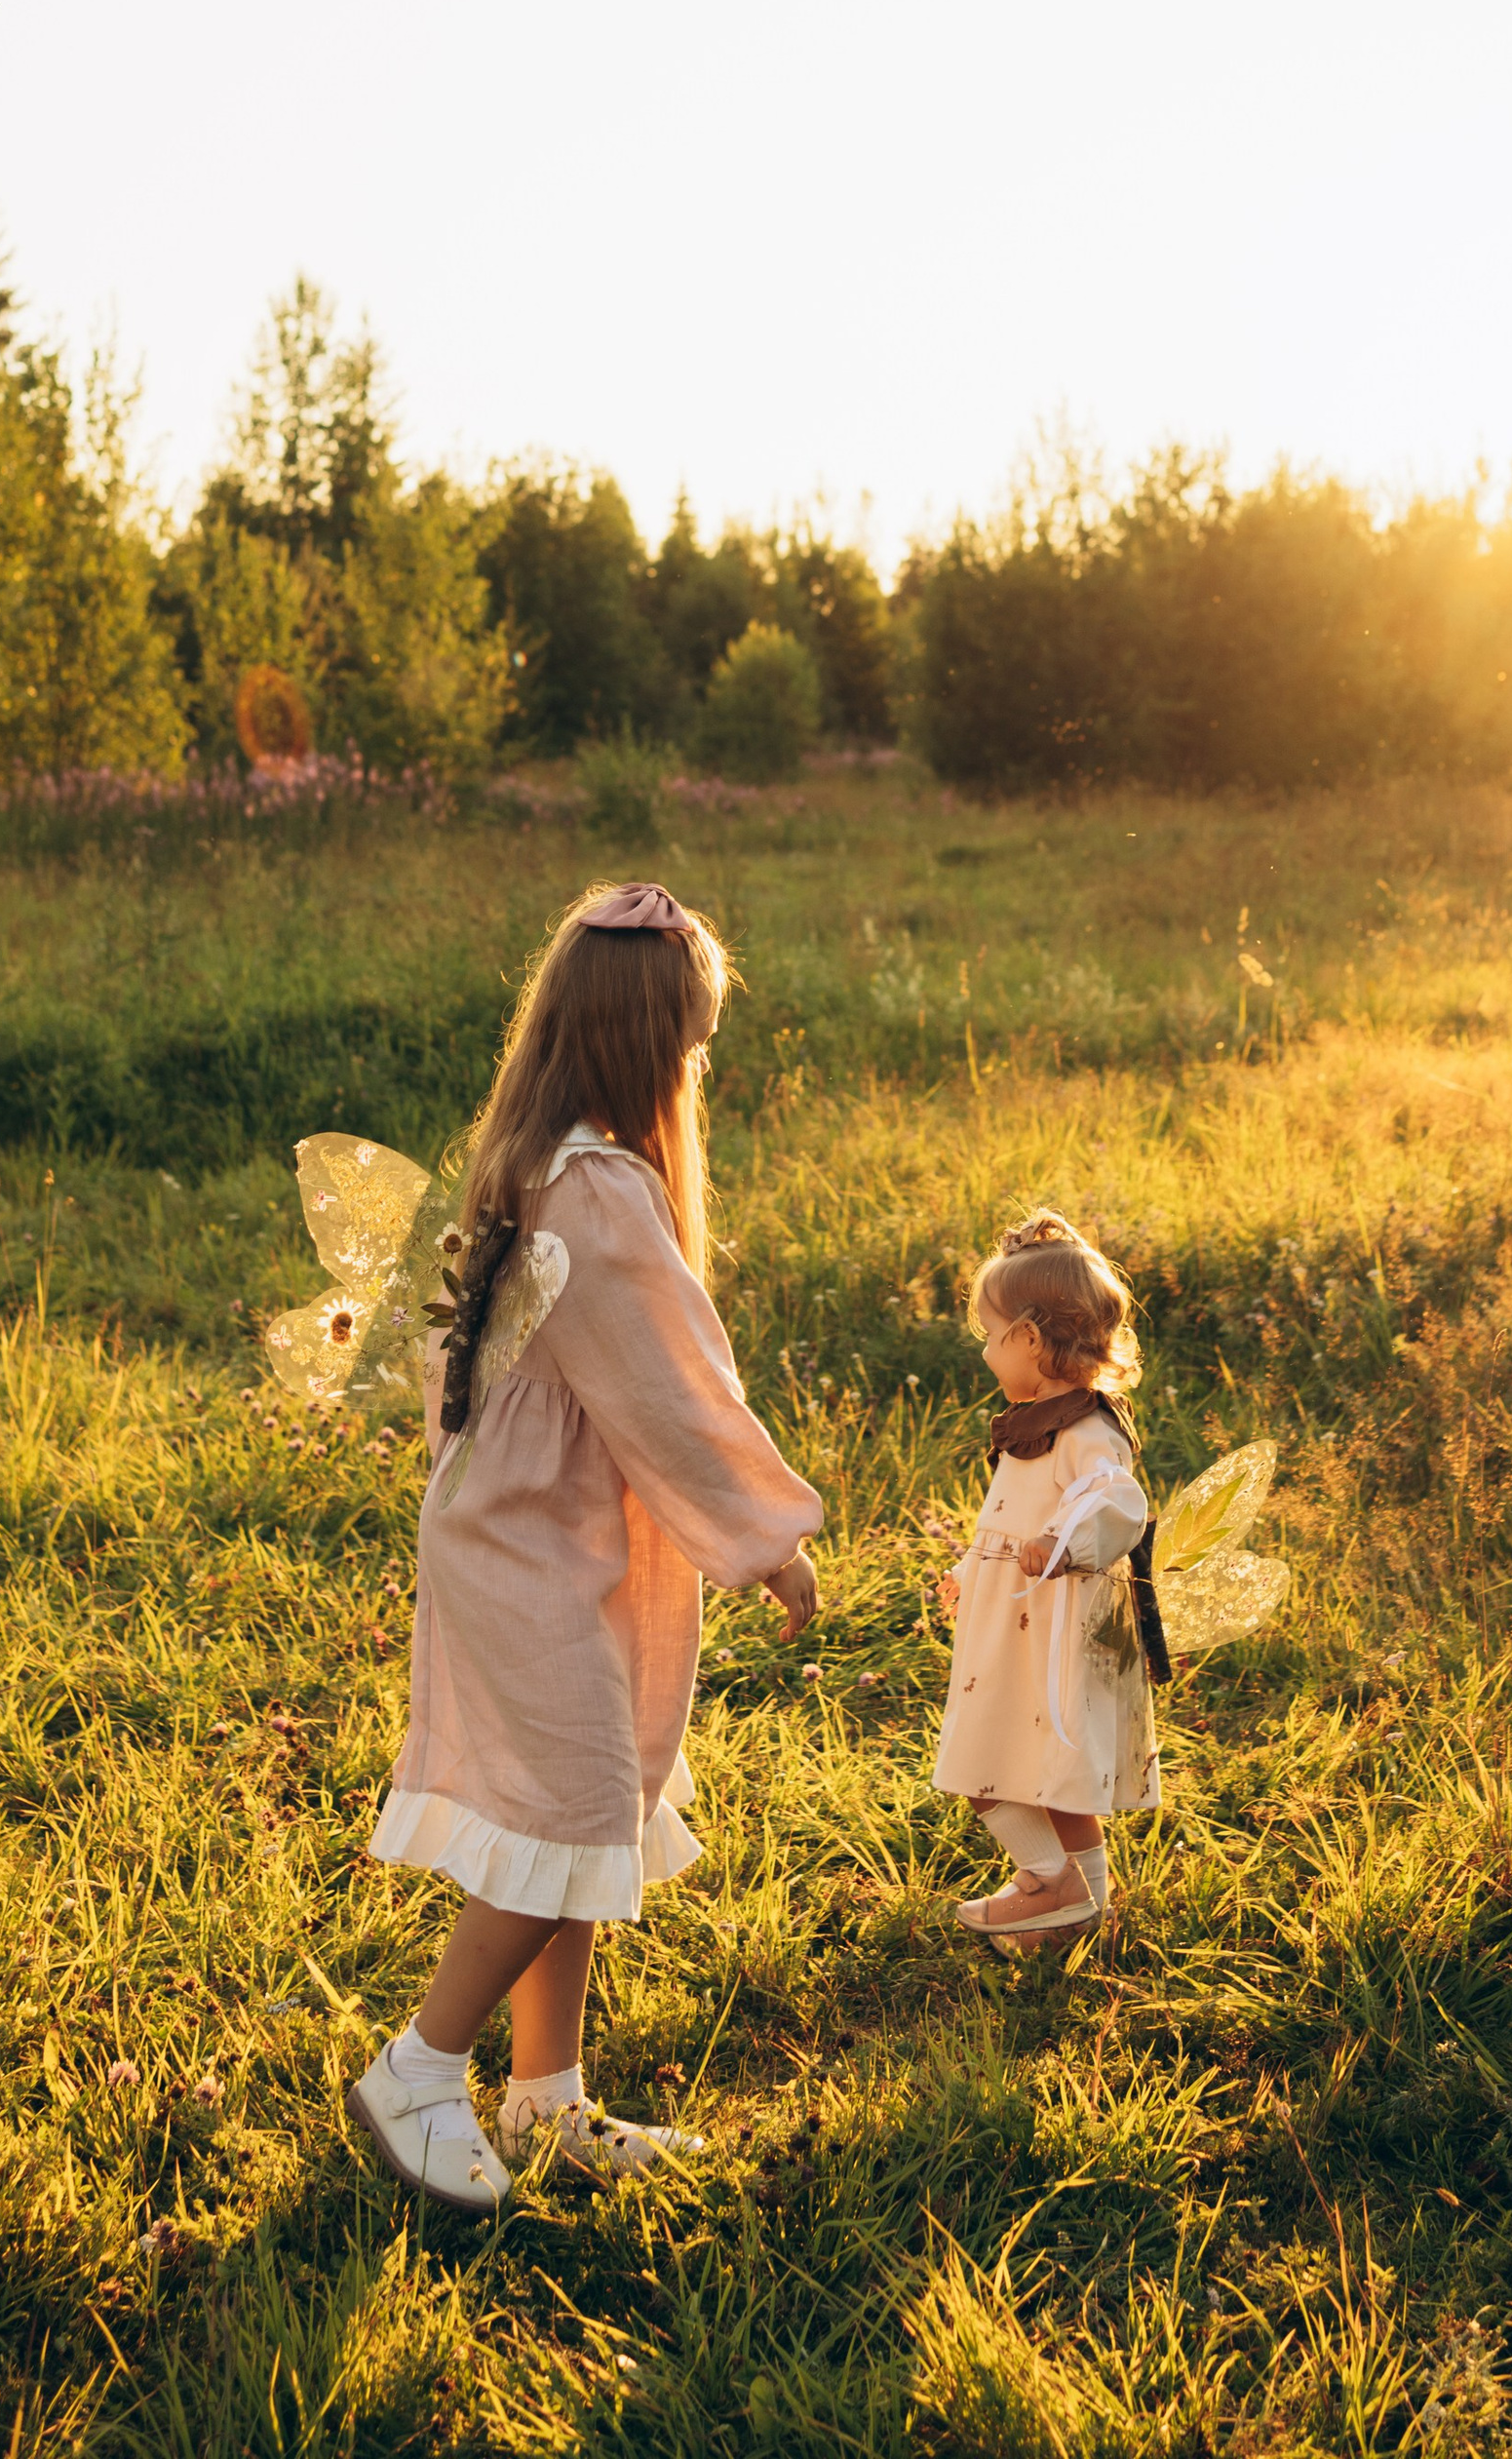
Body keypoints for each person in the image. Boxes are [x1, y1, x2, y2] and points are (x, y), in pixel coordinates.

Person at [351, 878, 822, 2212]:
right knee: (564, 1809)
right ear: (643, 1042)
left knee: (587, 1809)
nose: (695, 1066)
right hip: (530, 1545)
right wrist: (767, 1537)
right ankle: (419, 2067)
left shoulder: (538, 1157)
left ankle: (547, 2096)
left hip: (521, 1528)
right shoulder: (603, 1191)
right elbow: (674, 1392)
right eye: (691, 1042)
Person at [930, 1209, 1165, 1947]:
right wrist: (971, 1569)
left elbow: (1116, 1502)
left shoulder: (1089, 1429)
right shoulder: (1037, 1419)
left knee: (998, 1766)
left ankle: (1050, 1881)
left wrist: (1062, 1542)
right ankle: (1079, 1903)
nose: (987, 1355)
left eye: (990, 1338)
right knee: (1032, 1765)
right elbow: (1005, 1521)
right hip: (1011, 1619)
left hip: (1052, 1628)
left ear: (1029, 1339)